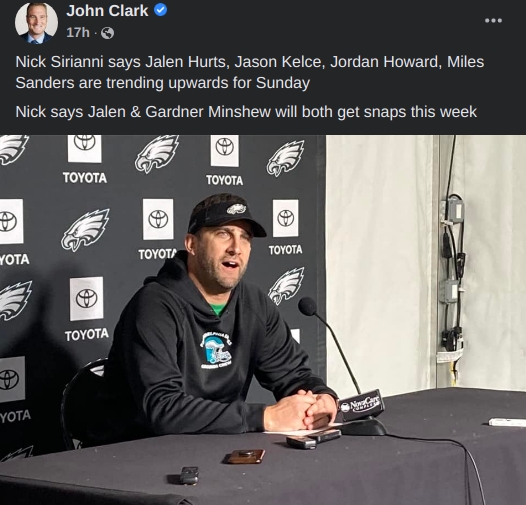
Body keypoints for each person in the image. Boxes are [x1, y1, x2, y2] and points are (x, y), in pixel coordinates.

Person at [99, 193, 338, 443]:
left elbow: (293, 376)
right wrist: (265, 417)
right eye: (223, 234)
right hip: (136, 451)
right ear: (191, 244)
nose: (236, 247)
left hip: (216, 445)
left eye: (245, 237)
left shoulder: (255, 304)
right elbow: (163, 408)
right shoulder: (154, 305)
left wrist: (321, 399)